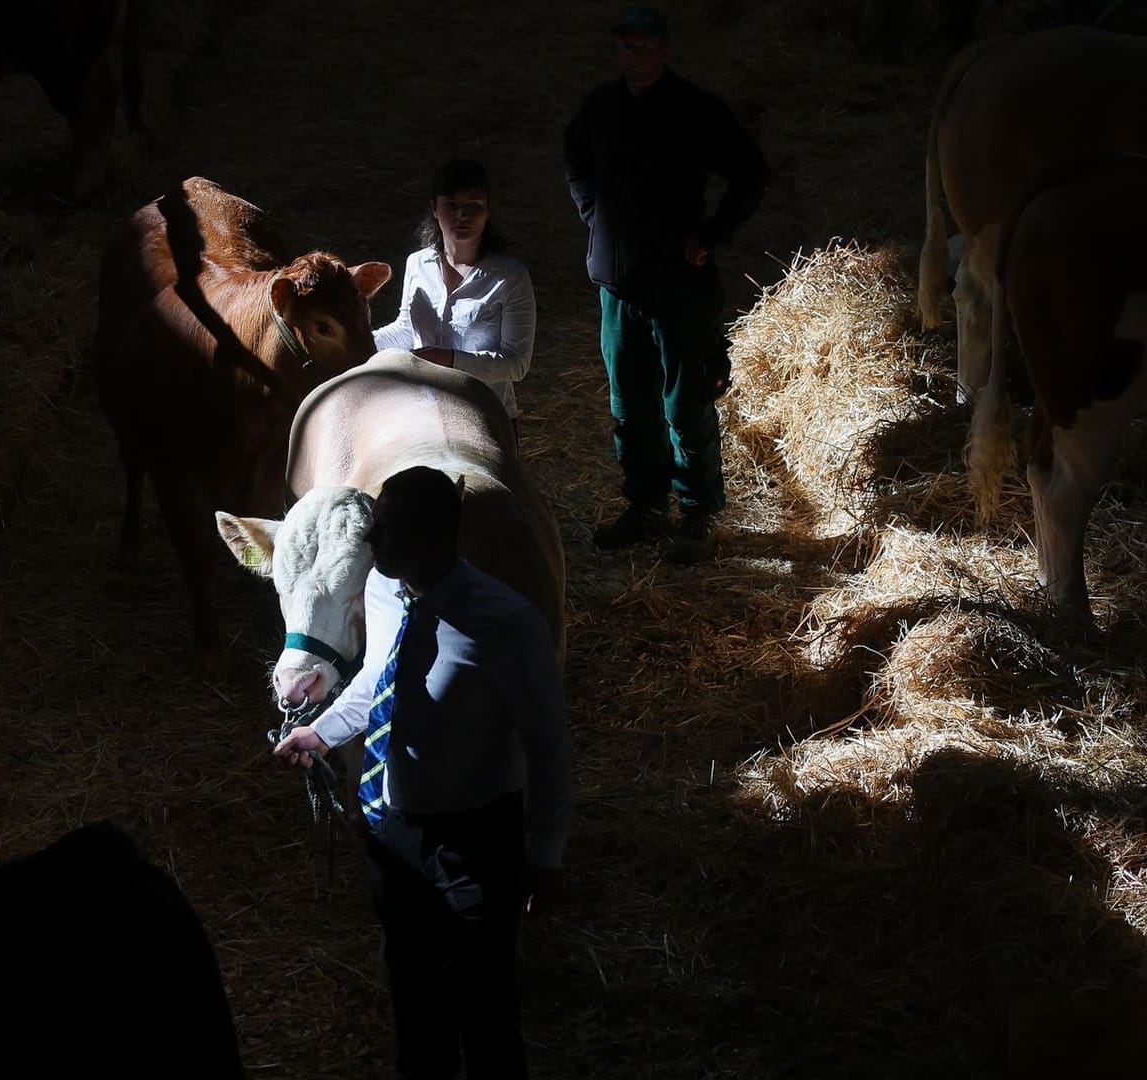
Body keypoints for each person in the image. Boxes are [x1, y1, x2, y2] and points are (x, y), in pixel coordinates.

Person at [272, 466, 573, 1080]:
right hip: (391, 829)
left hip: (475, 841)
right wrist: (322, 733)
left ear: (438, 537)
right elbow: (376, 681)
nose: (372, 545)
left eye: (388, 533)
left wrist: (546, 853)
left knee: (486, 1004)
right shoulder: (384, 593)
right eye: (375, 528)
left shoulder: (506, 625)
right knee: (412, 994)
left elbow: (548, 746)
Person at [565, 5, 770, 563]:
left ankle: (698, 510)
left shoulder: (695, 110)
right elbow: (575, 160)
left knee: (687, 399)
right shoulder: (602, 108)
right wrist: (593, 214)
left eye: (644, 47)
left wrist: (710, 233)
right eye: (625, 47)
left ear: (665, 50)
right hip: (617, 282)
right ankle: (645, 503)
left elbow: (751, 173)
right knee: (628, 401)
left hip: (679, 283)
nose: (633, 57)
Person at [373, 158, 538, 442]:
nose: (463, 215)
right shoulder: (417, 264)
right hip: (423, 413)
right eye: (451, 205)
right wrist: (357, 341)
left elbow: (516, 364)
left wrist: (448, 359)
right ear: (434, 209)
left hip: (486, 417)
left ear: (488, 211)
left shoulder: (510, 277)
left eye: (474, 205)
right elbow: (405, 328)